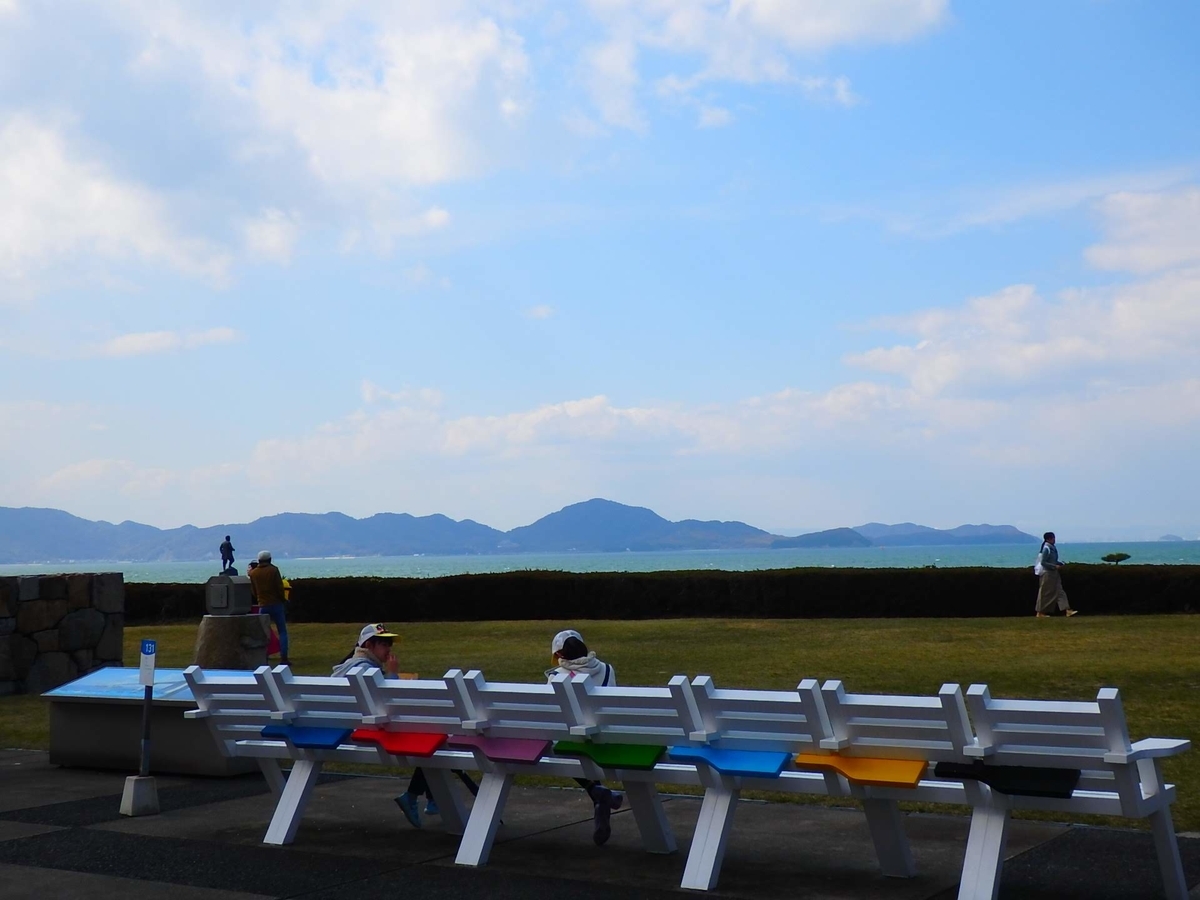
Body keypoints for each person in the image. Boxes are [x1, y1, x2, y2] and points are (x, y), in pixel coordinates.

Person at [332, 624, 478, 828]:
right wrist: (392, 675)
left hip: (347, 728)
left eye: (389, 644)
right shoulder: (366, 670)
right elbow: (387, 704)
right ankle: (421, 796)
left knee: (433, 737)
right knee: (435, 737)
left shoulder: (346, 666)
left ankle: (427, 796)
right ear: (368, 645)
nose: (389, 649)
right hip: (368, 732)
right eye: (383, 644)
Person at [546, 629, 623, 846]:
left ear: (560, 655)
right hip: (607, 737)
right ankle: (597, 794)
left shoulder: (555, 677)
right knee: (580, 738)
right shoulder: (607, 669)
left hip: (573, 739)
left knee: (559, 743)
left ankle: (594, 790)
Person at [249, 550, 290, 664]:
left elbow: (253, 590)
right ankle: (284, 658)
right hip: (276, 604)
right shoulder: (273, 570)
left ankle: (264, 657)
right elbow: (279, 587)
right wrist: (283, 600)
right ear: (270, 559)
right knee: (282, 631)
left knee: (263, 632)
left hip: (263, 604)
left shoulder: (253, 573)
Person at [1035, 532, 1078, 618]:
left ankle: (1067, 610)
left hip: (1053, 573)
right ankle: (1040, 612)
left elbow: (1052, 560)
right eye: (1052, 538)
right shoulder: (1046, 548)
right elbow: (1043, 562)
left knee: (1059, 591)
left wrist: (1060, 563)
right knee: (1045, 593)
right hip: (1047, 573)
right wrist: (1054, 566)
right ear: (1048, 539)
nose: (1054, 540)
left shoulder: (1051, 548)